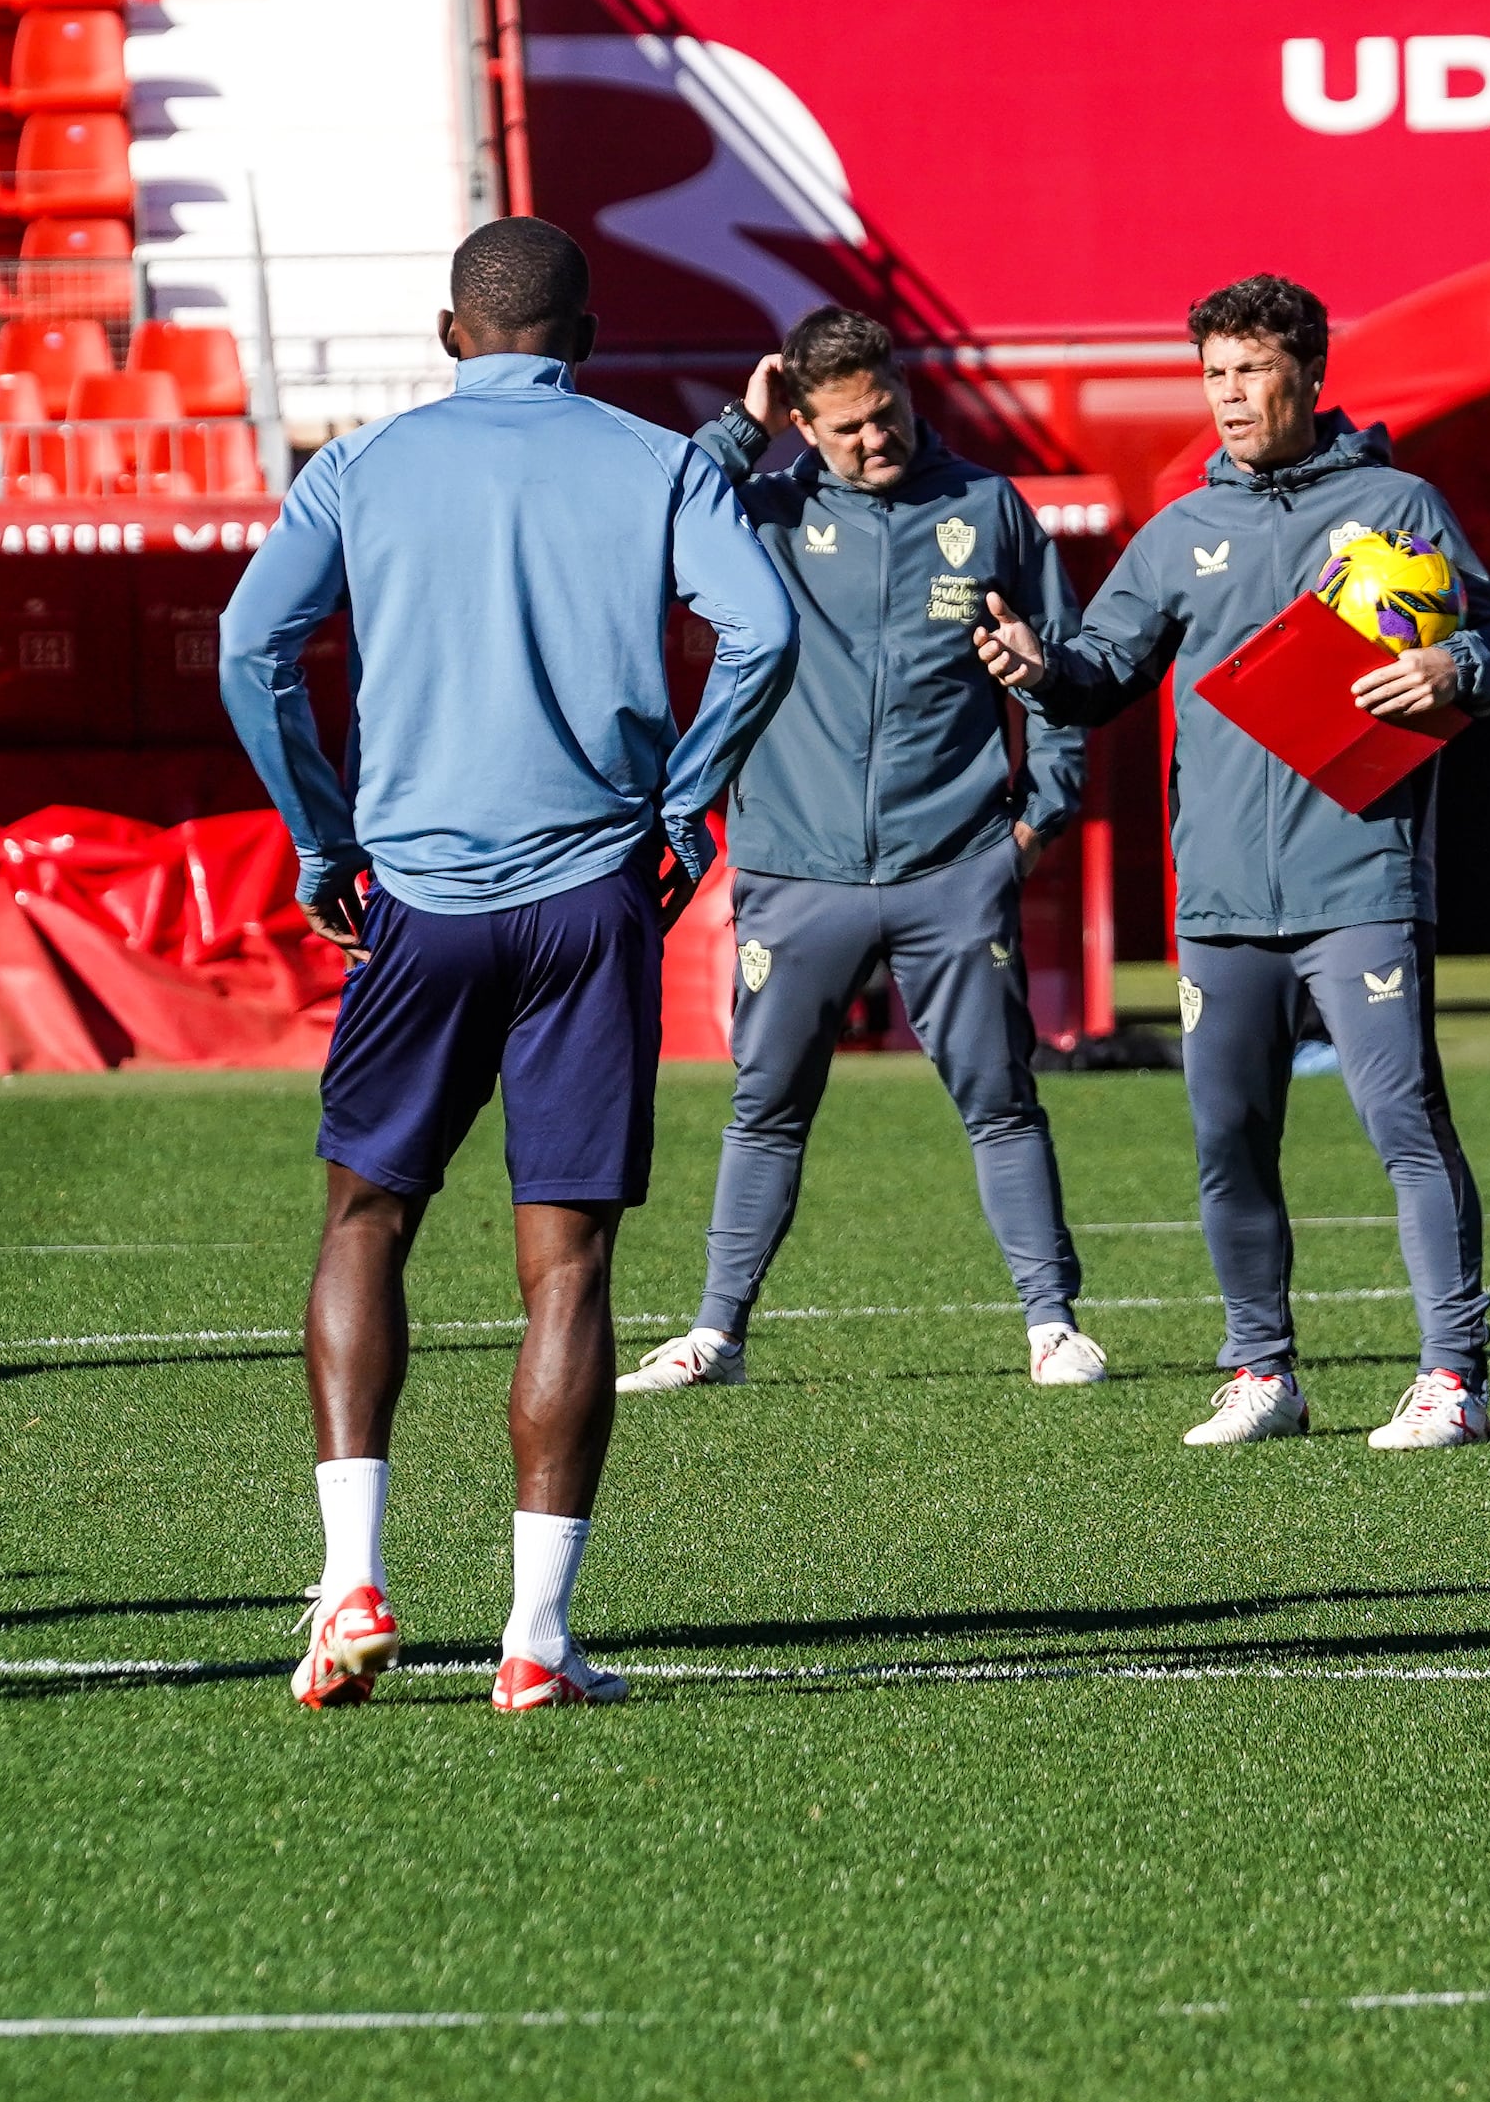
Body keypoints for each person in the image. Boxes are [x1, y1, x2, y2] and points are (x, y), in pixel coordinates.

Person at [221, 215, 796, 1716]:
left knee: (366, 1220)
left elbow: (249, 649)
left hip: (417, 894)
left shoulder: (359, 464)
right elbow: (763, 625)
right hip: (590, 896)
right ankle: (537, 1639)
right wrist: (686, 798)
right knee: (570, 1267)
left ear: (447, 332)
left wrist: (321, 832)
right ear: (587, 340)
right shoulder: (658, 460)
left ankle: (353, 1578)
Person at [971, 274, 1490, 1451]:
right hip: (1220, 898)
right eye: (1212, 374)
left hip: (1360, 882)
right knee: (1227, 1139)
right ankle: (1260, 1372)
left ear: (1310, 375)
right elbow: (1103, 670)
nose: (1227, 396)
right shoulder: (1180, 530)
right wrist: (1038, 666)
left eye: (1250, 371)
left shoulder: (1396, 506)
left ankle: (1451, 1380)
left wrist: (1454, 671)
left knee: (1402, 1126)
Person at [618, 304, 1105, 1397]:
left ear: (903, 388)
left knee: (999, 1097)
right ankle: (715, 1336)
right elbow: (647, 522)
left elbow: (1061, 668)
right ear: (800, 421)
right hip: (796, 869)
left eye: (883, 414)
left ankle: (1051, 1323)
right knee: (765, 1106)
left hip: (955, 864)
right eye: (843, 429)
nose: (872, 441)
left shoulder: (987, 507)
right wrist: (738, 435)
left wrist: (1037, 819)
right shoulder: (757, 508)